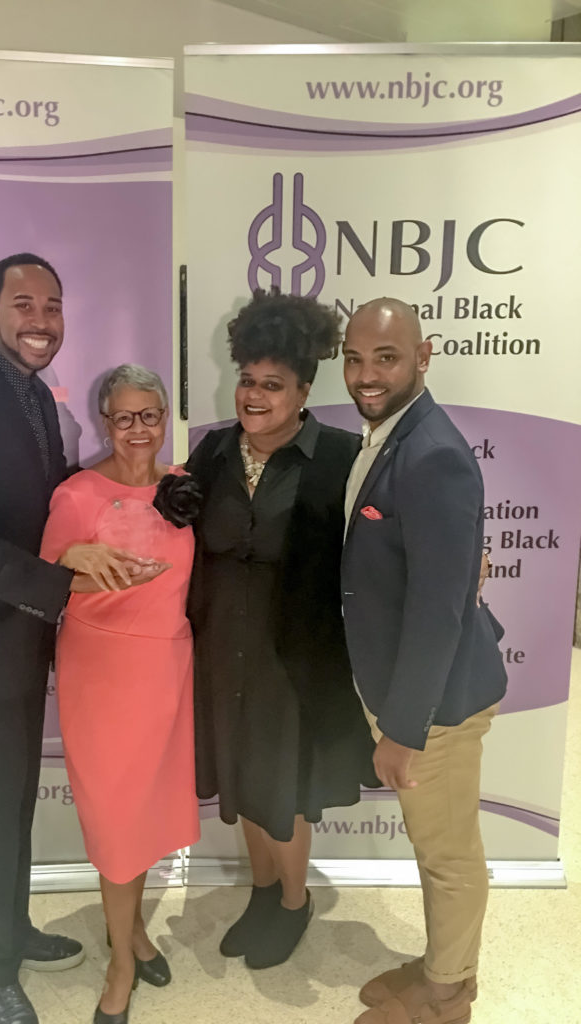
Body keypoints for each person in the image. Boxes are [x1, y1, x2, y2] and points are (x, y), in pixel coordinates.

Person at [0, 254, 156, 1024]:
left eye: (53, 305)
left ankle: (11, 930)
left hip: (21, 636)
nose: (41, 320)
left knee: (13, 799)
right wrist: (61, 583)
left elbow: (53, 506)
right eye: (24, 304)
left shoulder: (38, 395)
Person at [186, 288, 378, 971]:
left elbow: (389, 539)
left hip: (291, 661)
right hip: (221, 655)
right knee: (242, 781)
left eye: (273, 385)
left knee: (283, 791)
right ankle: (263, 894)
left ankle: (294, 903)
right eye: (248, 380)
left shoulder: (340, 458)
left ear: (303, 392)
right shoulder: (212, 453)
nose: (254, 395)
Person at [340, 298, 508, 1024]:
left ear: (423, 355)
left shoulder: (433, 453)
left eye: (386, 358)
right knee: (433, 840)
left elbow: (439, 610)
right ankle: (442, 964)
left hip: (437, 705)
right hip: (412, 691)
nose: (366, 375)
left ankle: (448, 996)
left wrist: (403, 729)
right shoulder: (390, 434)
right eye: (354, 359)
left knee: (448, 853)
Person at [40, 364, 200, 1024]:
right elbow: (43, 583)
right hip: (101, 676)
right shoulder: (77, 494)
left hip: (166, 672)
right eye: (124, 417)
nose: (138, 429)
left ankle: (130, 933)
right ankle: (121, 964)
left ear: (164, 419)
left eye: (150, 415)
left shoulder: (182, 487)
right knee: (115, 820)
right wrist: (83, 568)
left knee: (145, 816)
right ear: (104, 422)